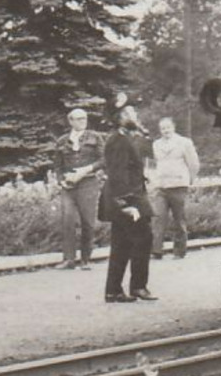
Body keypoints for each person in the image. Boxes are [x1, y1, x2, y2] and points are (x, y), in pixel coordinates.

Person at [99, 104, 156, 303]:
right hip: (126, 199)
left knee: (121, 244)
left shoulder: (124, 138)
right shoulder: (118, 140)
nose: (136, 116)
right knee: (143, 238)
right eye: (132, 113)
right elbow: (117, 174)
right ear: (121, 116)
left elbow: (127, 169)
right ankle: (138, 286)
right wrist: (126, 205)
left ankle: (113, 290)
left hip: (125, 196)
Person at [54, 108, 104, 269]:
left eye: (84, 118)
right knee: (67, 220)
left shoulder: (95, 137)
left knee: (88, 221)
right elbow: (57, 165)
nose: (83, 121)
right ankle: (69, 259)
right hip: (68, 186)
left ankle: (86, 259)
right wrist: (61, 181)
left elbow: (104, 159)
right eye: (79, 119)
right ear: (71, 121)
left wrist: (85, 170)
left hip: (88, 184)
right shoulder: (62, 140)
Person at [149, 117, 200, 259]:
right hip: (161, 185)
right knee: (158, 217)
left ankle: (179, 250)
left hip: (179, 185)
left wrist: (189, 180)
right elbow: (158, 163)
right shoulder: (156, 144)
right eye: (163, 128)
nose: (166, 131)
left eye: (168, 127)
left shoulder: (184, 143)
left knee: (179, 219)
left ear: (174, 127)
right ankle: (157, 250)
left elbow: (194, 164)